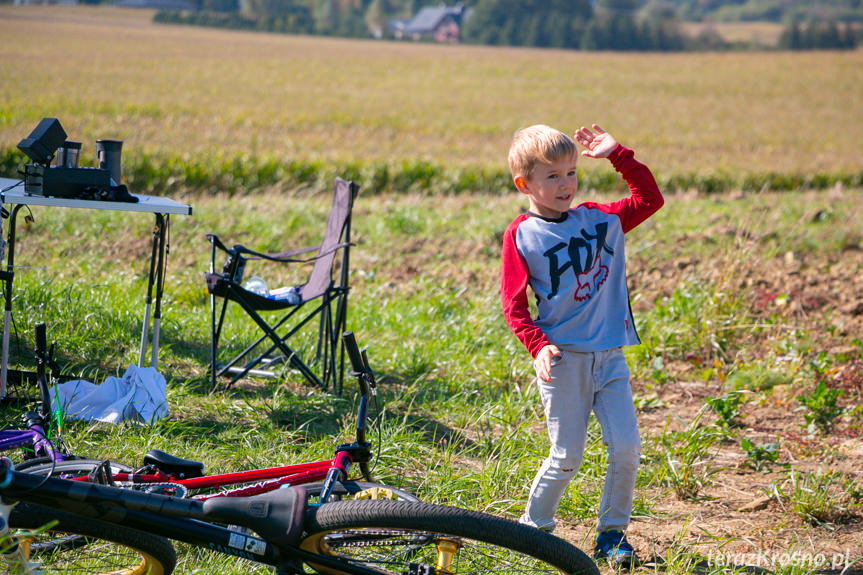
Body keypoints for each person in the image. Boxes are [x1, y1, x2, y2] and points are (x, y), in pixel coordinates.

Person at [500, 124, 663, 568]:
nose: (565, 185)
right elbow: (513, 306)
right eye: (552, 176)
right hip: (563, 361)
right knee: (567, 455)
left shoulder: (600, 220)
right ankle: (533, 531)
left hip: (610, 358)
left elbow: (650, 200)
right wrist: (537, 347)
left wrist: (618, 156)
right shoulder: (521, 235)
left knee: (627, 447)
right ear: (525, 184)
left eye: (571, 173)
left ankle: (611, 535)